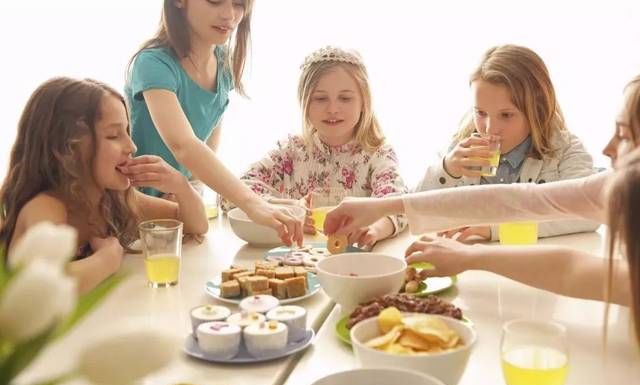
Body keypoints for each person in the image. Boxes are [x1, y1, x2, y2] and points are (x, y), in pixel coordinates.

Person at [324, 75, 640, 342]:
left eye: (624, 136)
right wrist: (386, 205)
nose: (608, 148)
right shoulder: (619, 188)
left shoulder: (573, 154)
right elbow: (520, 200)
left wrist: (473, 255)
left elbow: (574, 269)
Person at [0, 77, 208, 293]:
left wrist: (180, 186)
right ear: (67, 149)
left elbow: (196, 225)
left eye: (126, 132)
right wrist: (107, 260)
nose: (131, 146)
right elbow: (37, 288)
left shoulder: (113, 200)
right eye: (113, 135)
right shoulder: (45, 207)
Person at [125, 0, 302, 245]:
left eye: (239, 4)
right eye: (214, 1)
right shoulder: (153, 63)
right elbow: (184, 145)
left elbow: (205, 152)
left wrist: (190, 193)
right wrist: (253, 204)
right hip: (134, 210)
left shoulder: (223, 65)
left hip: (180, 214)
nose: (229, 15)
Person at [221, 46, 407, 248]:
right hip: (295, 261)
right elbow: (230, 195)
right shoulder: (291, 151)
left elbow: (399, 205)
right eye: (320, 99)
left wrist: (375, 229)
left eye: (345, 98)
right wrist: (293, 208)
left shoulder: (377, 154)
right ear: (305, 103)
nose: (333, 109)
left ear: (364, 102)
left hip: (355, 264)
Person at [415, 45, 597, 242]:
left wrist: (494, 228)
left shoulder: (565, 150)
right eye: (481, 113)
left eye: (506, 115)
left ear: (536, 109)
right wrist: (446, 170)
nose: (490, 129)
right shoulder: (462, 146)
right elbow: (414, 212)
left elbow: (589, 213)